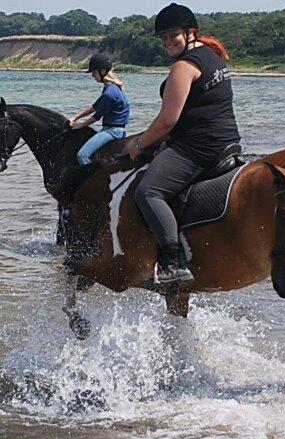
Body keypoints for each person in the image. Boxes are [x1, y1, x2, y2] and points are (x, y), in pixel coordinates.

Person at [130, 3, 241, 285]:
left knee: (148, 192)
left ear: (190, 33)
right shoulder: (212, 57)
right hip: (226, 140)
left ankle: (172, 261)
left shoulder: (184, 65)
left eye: (173, 35)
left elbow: (168, 120)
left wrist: (140, 144)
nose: (167, 41)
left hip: (197, 147)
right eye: (163, 36)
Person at [69, 54, 130, 166]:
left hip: (111, 131)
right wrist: (75, 117)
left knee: (82, 155)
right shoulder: (112, 88)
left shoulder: (109, 93)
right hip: (116, 130)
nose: (92, 75)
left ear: (102, 71)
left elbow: (96, 116)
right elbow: (95, 106)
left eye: (93, 72)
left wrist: (80, 125)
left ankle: (90, 181)